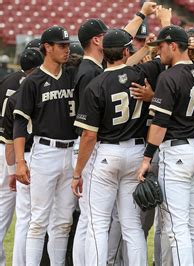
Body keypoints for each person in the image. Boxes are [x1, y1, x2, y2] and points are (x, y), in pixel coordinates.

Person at [72, 28, 163, 265]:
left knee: (98, 225)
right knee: (132, 225)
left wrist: (77, 172)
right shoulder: (141, 72)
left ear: (104, 51)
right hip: (136, 152)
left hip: (107, 153)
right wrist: (152, 44)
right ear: (125, 51)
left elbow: (89, 136)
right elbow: (161, 58)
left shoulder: (96, 84)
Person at [135, 25, 194, 265]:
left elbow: (159, 123)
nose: (158, 51)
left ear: (173, 46)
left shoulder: (168, 76)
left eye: (160, 46)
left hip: (177, 153)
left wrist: (147, 158)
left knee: (176, 227)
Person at [12, 25, 76, 265]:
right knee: (38, 220)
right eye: (61, 46)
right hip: (44, 151)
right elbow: (19, 125)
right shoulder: (33, 81)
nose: (66, 50)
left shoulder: (72, 74)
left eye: (68, 46)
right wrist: (20, 162)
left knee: (63, 221)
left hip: (71, 150)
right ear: (47, 47)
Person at [0, 48, 43, 265]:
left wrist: (12, 169)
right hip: (34, 154)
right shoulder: (40, 87)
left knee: (19, 216)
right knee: (36, 218)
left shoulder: (9, 84)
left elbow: (7, 136)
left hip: (12, 154)